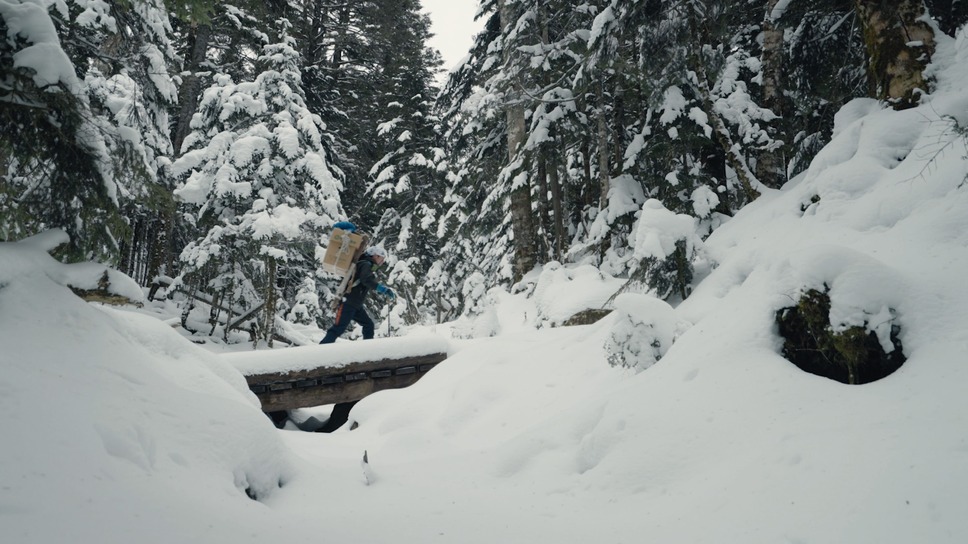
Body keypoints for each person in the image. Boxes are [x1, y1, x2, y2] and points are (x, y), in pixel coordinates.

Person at [319, 245, 395, 344]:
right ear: (375, 256)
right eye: (382, 258)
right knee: (338, 329)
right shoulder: (365, 264)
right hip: (348, 303)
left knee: (368, 325)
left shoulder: (365, 264)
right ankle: (320, 351)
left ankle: (367, 349)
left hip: (355, 304)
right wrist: (383, 289)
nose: (383, 261)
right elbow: (366, 280)